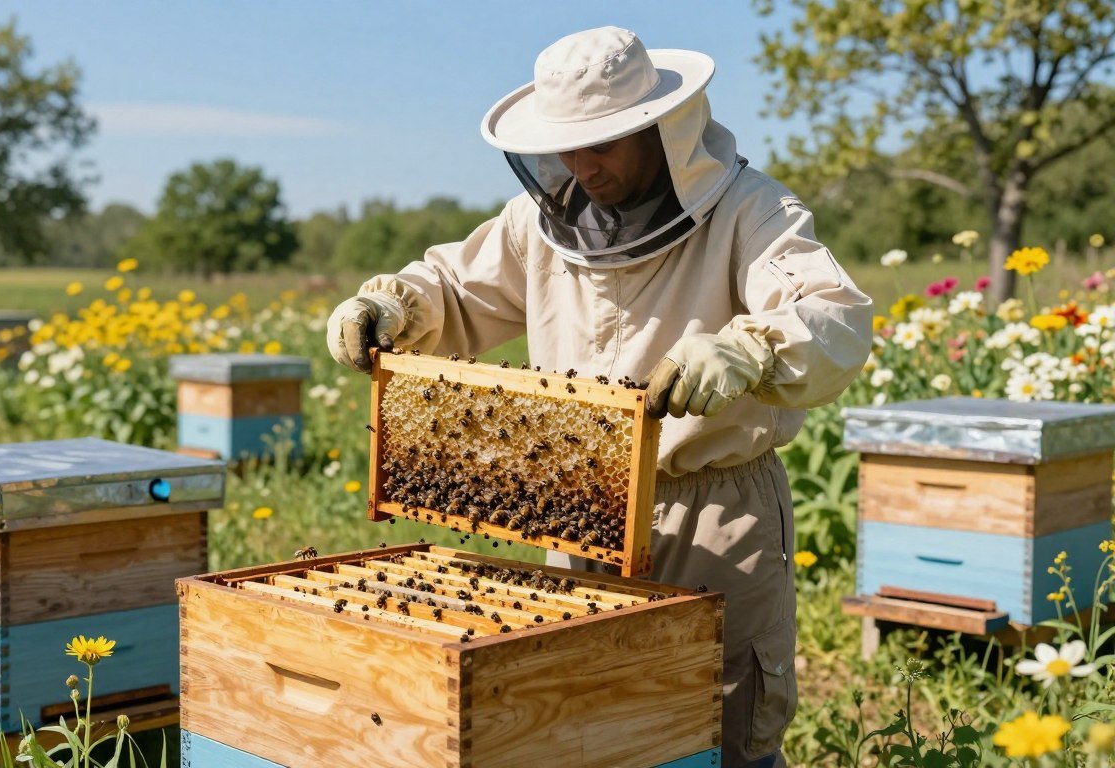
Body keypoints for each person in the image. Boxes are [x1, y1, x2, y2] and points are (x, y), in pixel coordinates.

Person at [326, 26, 872, 768]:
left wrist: (751, 348)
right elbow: (455, 288)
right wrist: (392, 308)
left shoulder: (752, 210)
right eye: (567, 148)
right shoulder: (539, 223)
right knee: (581, 723)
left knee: (723, 729)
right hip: (583, 506)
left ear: (658, 130)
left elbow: (832, 314)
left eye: (603, 146)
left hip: (715, 510)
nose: (582, 168)